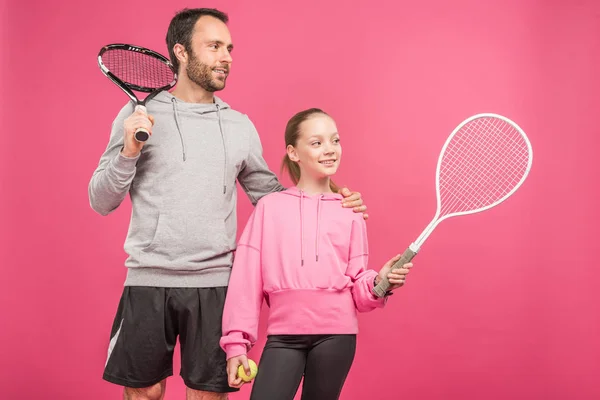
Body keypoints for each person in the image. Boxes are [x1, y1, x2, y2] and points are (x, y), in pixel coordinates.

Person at [88, 8, 368, 400]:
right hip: (148, 280)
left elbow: (272, 199)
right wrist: (130, 150)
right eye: (215, 47)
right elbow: (101, 200)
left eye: (230, 48)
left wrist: (332, 198)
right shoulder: (138, 115)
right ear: (181, 52)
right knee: (144, 393)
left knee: (207, 396)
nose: (227, 57)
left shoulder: (239, 126)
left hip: (217, 284)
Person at [220, 108, 413, 400]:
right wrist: (236, 344)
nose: (330, 150)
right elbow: (245, 281)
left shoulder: (350, 211)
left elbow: (358, 285)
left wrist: (380, 282)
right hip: (283, 335)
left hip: (338, 336)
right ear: (293, 152)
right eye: (317, 142)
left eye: (334, 141)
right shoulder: (269, 208)